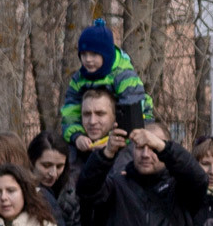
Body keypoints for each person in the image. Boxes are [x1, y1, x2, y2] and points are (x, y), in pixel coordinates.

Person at [61, 18, 154, 147]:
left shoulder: (124, 76)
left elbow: (132, 115)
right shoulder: (79, 79)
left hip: (137, 125)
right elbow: (70, 111)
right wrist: (76, 135)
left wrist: (110, 141)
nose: (88, 60)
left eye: (94, 54)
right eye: (83, 54)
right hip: (98, 131)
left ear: (107, 55)